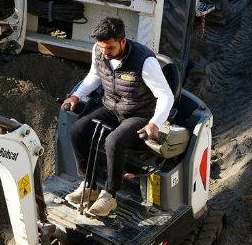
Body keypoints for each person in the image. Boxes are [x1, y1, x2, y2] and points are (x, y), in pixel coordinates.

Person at [60, 17, 174, 217]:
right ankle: (90, 185)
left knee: (113, 141)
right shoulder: (99, 50)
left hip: (139, 113)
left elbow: (166, 95)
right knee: (77, 130)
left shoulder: (144, 61)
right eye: (102, 47)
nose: (105, 52)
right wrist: (77, 96)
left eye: (110, 48)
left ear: (123, 41)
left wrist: (155, 123)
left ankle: (110, 195)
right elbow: (95, 75)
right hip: (111, 107)